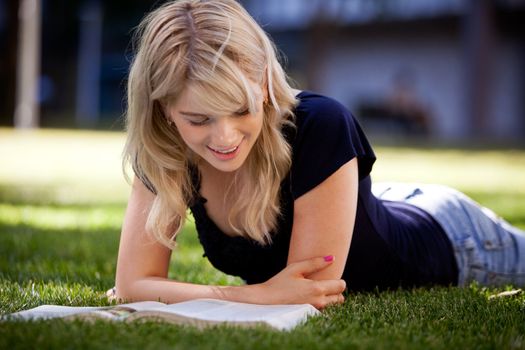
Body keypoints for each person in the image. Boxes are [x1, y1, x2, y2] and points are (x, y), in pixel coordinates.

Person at [112, 0, 525, 309]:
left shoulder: (320, 125)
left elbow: (307, 297)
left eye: (241, 110)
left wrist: (207, 295)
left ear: (263, 85)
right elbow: (133, 287)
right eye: (198, 119)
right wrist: (257, 295)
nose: (224, 136)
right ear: (165, 109)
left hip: (455, 237)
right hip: (365, 202)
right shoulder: (167, 148)